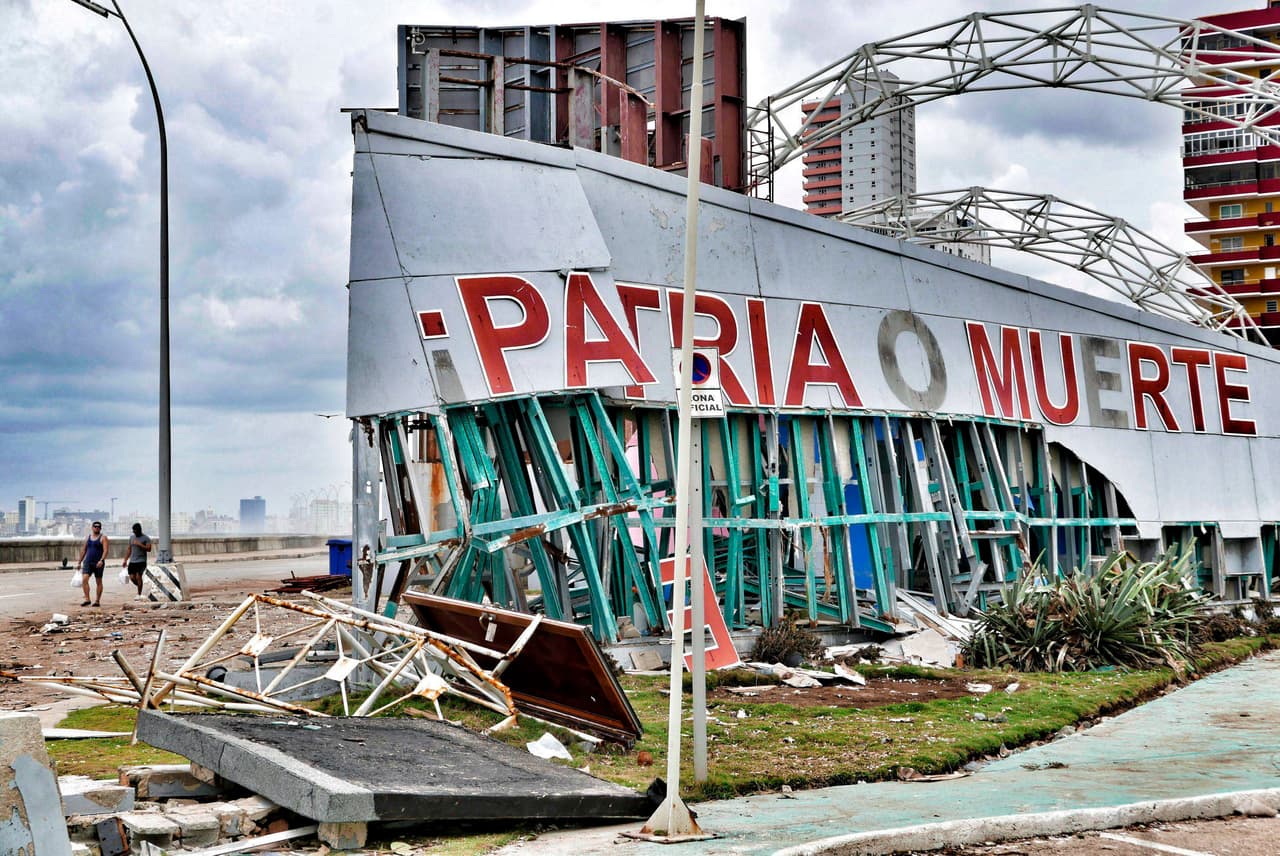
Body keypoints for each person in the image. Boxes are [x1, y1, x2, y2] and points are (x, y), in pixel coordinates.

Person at [75, 521, 110, 607]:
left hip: (98, 563)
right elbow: (84, 550)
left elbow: (105, 551)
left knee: (98, 581)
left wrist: (101, 560)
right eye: (95, 526)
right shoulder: (88, 537)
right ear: (92, 527)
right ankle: (87, 599)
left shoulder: (103, 538)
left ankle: (97, 601)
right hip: (88, 562)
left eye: (98, 527)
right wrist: (79, 562)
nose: (96, 528)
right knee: (84, 579)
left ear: (100, 528)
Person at [121, 523, 152, 599]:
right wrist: (125, 560)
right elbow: (129, 549)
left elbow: (149, 549)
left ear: (139, 530)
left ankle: (139, 594)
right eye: (133, 531)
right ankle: (140, 586)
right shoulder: (131, 537)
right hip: (132, 561)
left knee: (138, 576)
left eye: (136, 531)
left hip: (141, 561)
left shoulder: (146, 538)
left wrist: (140, 544)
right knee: (132, 577)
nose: (134, 533)